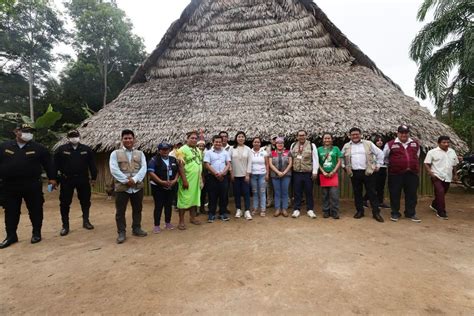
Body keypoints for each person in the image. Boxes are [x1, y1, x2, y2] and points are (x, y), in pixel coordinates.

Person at [0, 124, 56, 248]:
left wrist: (52, 178)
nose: (28, 133)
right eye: (25, 131)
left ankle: (36, 233)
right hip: (10, 185)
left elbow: (49, 164)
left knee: (35, 209)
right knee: (10, 211)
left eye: (30, 131)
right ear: (16, 131)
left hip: (32, 184)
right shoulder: (4, 146)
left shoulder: (39, 148)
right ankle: (11, 236)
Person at [54, 130, 97, 236]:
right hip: (66, 180)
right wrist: (54, 178)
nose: (74, 138)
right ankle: (65, 226)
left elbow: (92, 164)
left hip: (83, 179)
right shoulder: (61, 149)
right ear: (68, 138)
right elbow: (55, 165)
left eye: (76, 136)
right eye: (72, 136)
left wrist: (94, 177)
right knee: (64, 203)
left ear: (79, 137)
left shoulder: (86, 149)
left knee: (85, 200)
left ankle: (86, 221)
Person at [109, 129, 147, 244]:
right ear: (122, 140)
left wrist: (134, 180)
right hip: (122, 187)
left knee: (138, 209)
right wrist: (126, 181)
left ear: (134, 140)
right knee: (120, 211)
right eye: (125, 138)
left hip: (137, 187)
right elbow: (114, 169)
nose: (128, 140)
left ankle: (136, 228)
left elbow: (143, 168)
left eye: (130, 138)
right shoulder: (115, 154)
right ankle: (121, 232)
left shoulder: (140, 154)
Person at [342, 127, 385, 222]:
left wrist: (378, 165)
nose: (355, 136)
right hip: (354, 173)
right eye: (353, 134)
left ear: (360, 135)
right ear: (350, 136)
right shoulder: (346, 146)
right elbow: (341, 157)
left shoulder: (368, 144)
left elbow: (380, 153)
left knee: (372, 193)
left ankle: (376, 213)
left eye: (357, 134)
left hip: (368, 172)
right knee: (357, 193)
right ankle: (360, 211)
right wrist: (344, 166)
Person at [383, 125, 422, 222]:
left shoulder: (415, 144)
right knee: (395, 193)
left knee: (412, 194)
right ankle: (395, 213)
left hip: (412, 174)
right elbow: (385, 157)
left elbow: (417, 156)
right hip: (396, 174)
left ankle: (410, 213)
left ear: (408, 133)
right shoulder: (390, 144)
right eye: (402, 132)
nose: (404, 134)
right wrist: (395, 165)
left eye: (406, 132)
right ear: (397, 133)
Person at [424, 136, 459, 220]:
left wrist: (455, 174)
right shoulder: (432, 152)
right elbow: (426, 163)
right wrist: (431, 173)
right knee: (440, 192)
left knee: (443, 193)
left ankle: (434, 205)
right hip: (437, 176)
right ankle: (441, 212)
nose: (446, 144)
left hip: (447, 176)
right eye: (444, 142)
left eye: (448, 142)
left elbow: (454, 164)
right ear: (438, 143)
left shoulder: (452, 152)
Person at [147, 143, 178, 233]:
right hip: (158, 187)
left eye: (167, 149)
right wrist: (161, 182)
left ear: (169, 150)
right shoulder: (154, 160)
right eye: (163, 149)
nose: (165, 151)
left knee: (168, 205)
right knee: (158, 205)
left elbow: (178, 171)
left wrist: (175, 180)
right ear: (159, 150)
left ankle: (168, 223)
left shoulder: (173, 159)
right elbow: (151, 173)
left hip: (171, 186)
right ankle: (156, 225)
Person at [176, 131, 203, 229]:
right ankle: (181, 221)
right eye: (192, 138)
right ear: (187, 139)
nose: (194, 140)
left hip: (196, 179)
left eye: (196, 138)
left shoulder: (198, 150)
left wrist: (201, 178)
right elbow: (180, 166)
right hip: (187, 179)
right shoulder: (181, 150)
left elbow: (199, 164)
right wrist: (184, 180)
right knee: (184, 199)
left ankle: (192, 218)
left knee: (195, 198)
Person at [289, 130, 319, 219]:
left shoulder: (311, 145)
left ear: (306, 136)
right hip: (296, 173)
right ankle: (296, 209)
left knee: (309, 191)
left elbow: (315, 159)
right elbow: (291, 159)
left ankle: (310, 209)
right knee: (297, 191)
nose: (301, 137)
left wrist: (315, 172)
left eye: (303, 135)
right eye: (299, 135)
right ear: (297, 137)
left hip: (307, 172)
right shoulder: (293, 145)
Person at [203, 135, 231, 222]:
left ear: (222, 142)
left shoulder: (225, 152)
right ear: (213, 142)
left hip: (223, 176)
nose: (218, 143)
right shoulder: (208, 152)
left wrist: (223, 173)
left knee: (223, 195)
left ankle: (222, 213)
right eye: (216, 142)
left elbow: (228, 163)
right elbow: (207, 164)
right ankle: (211, 213)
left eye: (219, 142)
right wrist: (216, 174)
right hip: (212, 177)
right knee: (212, 196)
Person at [317, 133, 343, 219]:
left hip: (333, 174)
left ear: (331, 139)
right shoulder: (319, 149)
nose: (327, 140)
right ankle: (326, 211)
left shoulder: (336, 149)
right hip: (323, 174)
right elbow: (317, 162)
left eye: (328, 138)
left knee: (334, 194)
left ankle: (335, 211)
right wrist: (323, 171)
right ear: (323, 140)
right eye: (325, 138)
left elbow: (339, 161)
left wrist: (334, 171)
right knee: (325, 194)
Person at [229, 131, 253, 220]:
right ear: (236, 138)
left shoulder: (248, 149)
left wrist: (247, 174)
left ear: (245, 138)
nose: (241, 138)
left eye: (242, 136)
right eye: (239, 136)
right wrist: (231, 173)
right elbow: (228, 161)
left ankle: (247, 210)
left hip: (244, 175)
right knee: (237, 193)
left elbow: (250, 162)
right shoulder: (232, 149)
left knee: (246, 193)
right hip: (235, 175)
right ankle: (238, 209)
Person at [268, 137, 292, 217]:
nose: (280, 144)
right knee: (277, 192)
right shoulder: (271, 153)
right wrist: (278, 172)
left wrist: (284, 172)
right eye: (278, 143)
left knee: (285, 192)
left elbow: (290, 163)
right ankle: (277, 209)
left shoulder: (288, 152)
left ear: (283, 144)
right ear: (275, 144)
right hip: (275, 175)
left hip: (286, 175)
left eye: (281, 143)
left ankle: (284, 209)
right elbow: (270, 164)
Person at [364, 135, 390, 209]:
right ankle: (364, 200)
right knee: (373, 186)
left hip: (383, 169)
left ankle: (380, 202)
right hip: (374, 169)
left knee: (381, 187)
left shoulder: (385, 149)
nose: (380, 142)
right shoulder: (372, 150)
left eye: (381, 140)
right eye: (378, 140)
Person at [250, 137, 269, 217]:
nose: (256, 143)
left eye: (258, 142)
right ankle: (255, 208)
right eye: (255, 142)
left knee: (262, 192)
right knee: (255, 192)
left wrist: (267, 174)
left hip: (262, 174)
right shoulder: (249, 152)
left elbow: (267, 164)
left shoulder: (264, 152)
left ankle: (263, 209)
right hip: (253, 175)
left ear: (260, 143)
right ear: (252, 143)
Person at [265, 135, 277, 208]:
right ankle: (269, 201)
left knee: (277, 187)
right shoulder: (266, 148)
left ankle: (277, 202)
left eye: (276, 139)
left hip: (278, 170)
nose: (275, 141)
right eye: (273, 139)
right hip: (269, 170)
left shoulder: (282, 147)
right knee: (269, 187)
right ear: (271, 140)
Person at [197, 139, 208, 214]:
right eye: (199, 146)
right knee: (197, 193)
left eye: (202, 146)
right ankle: (196, 209)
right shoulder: (195, 154)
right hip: (196, 175)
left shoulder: (206, 153)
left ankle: (202, 208)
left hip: (205, 175)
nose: (201, 147)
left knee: (203, 193)